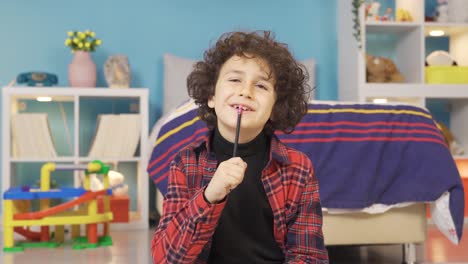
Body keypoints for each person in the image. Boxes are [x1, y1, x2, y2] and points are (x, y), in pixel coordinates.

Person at [151, 30, 329, 263]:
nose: (246, 91)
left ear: (276, 107)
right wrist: (209, 197)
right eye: (235, 80)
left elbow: (309, 257)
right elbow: (166, 258)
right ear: (211, 97)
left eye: (262, 86)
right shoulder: (185, 163)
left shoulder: (298, 168)